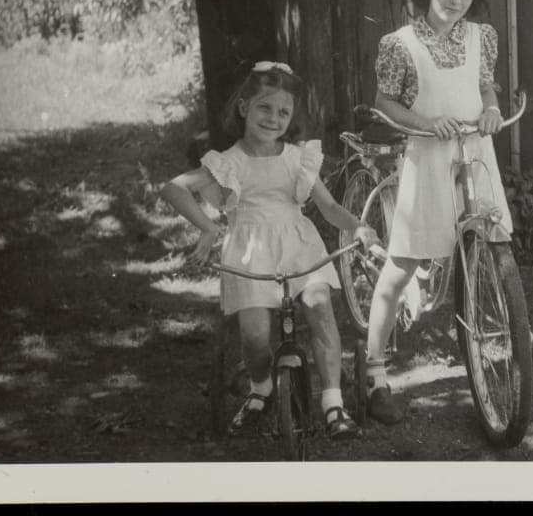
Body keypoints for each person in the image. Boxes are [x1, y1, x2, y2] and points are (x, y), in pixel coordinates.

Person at [362, 0, 533, 426]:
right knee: (405, 263)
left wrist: (491, 107)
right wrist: (428, 123)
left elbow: (485, 84)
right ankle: (374, 370)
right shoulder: (400, 43)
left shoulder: (481, 36)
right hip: (429, 155)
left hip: (476, 152)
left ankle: (516, 330)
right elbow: (385, 104)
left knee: (494, 240)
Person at [160, 61, 378, 439]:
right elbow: (174, 187)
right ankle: (261, 387)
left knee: (319, 306)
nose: (273, 118)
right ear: (244, 107)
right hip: (249, 249)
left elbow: (327, 207)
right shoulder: (229, 163)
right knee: (256, 335)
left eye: (283, 112)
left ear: (291, 118)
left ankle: (332, 402)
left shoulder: (297, 158)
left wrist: (358, 226)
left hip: (298, 243)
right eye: (264, 107)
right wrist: (209, 227)